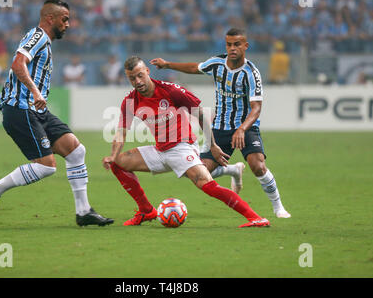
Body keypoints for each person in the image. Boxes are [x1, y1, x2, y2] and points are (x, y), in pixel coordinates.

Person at [0, 0, 113, 227]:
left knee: (76, 151)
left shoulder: (45, 42)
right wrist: (35, 92)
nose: (68, 24)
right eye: (64, 19)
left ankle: (83, 211)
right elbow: (18, 64)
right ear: (50, 18)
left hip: (36, 110)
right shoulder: (38, 36)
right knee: (46, 166)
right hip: (20, 108)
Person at [102, 56, 270, 228]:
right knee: (117, 162)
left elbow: (200, 115)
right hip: (160, 150)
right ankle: (146, 210)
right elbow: (121, 133)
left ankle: (255, 217)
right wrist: (112, 155)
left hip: (182, 147)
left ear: (147, 71)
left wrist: (212, 145)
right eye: (132, 78)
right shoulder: (130, 101)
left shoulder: (170, 91)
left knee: (206, 185)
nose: (137, 81)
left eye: (140, 75)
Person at [150, 28, 291, 218]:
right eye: (229, 44)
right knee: (199, 172)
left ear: (245, 46)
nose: (232, 48)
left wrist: (242, 129)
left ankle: (278, 207)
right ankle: (232, 170)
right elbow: (195, 68)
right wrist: (167, 65)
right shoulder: (217, 64)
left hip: (245, 128)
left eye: (237, 44)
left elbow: (256, 108)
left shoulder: (251, 73)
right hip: (219, 127)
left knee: (257, 166)